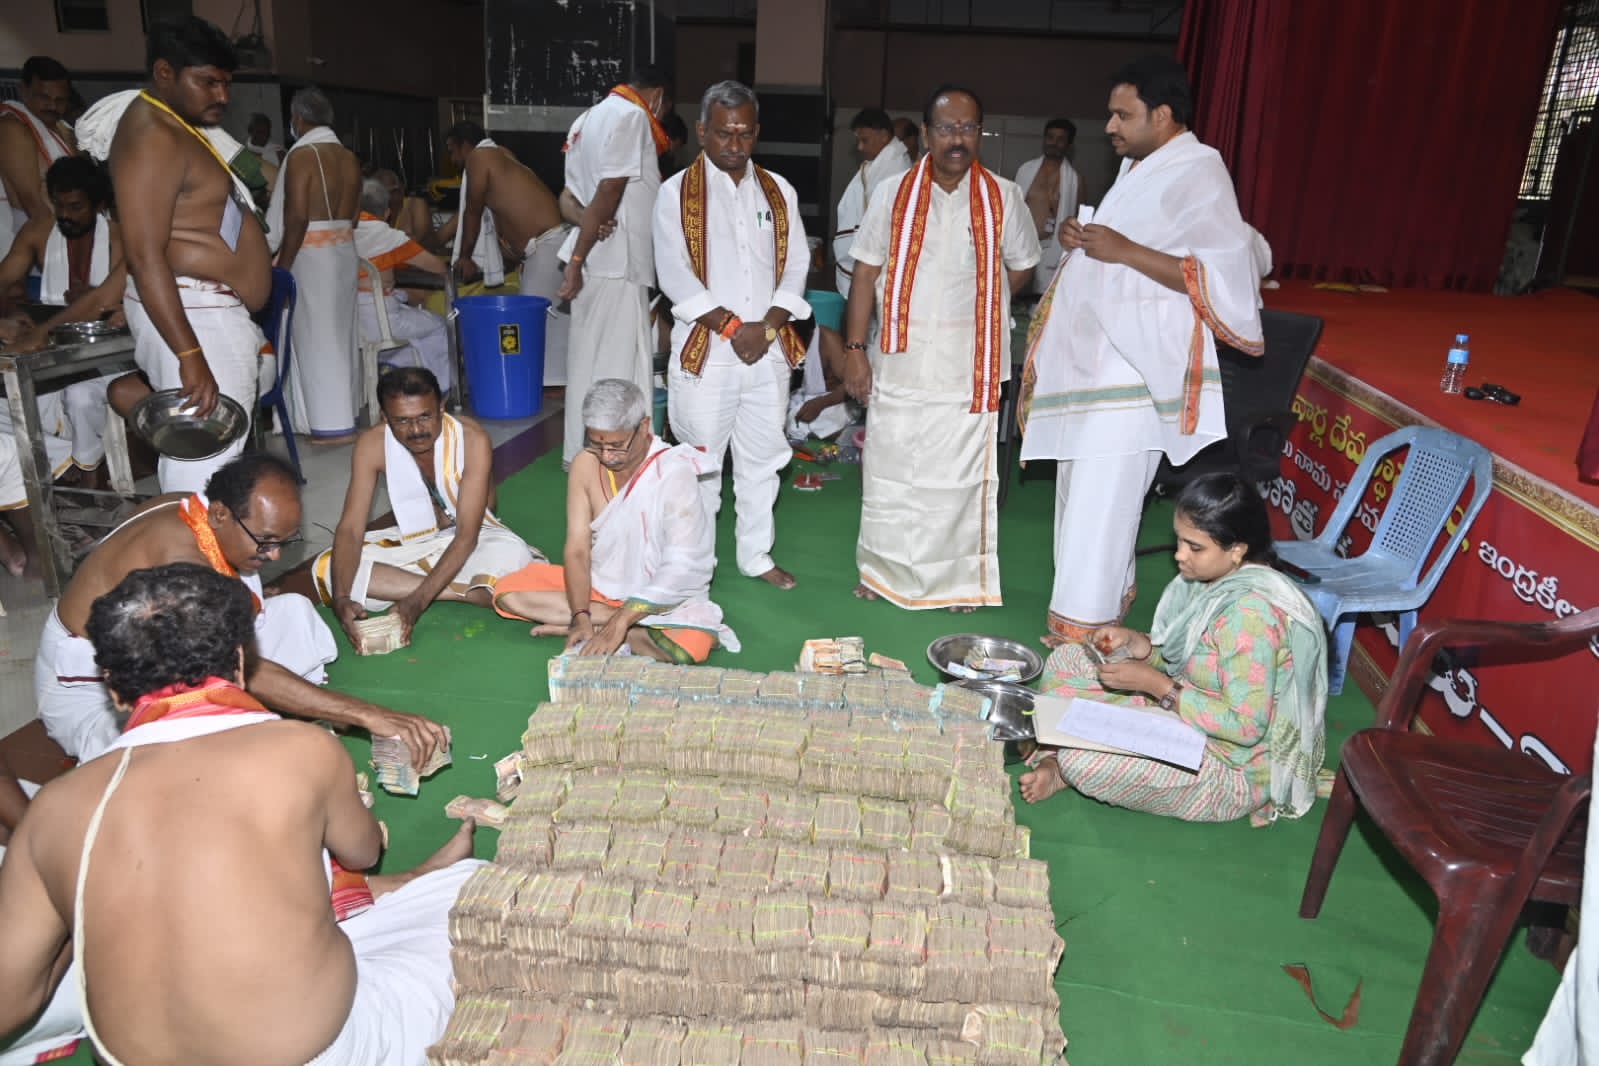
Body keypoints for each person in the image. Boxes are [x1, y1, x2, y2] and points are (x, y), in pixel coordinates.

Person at [0, 562, 484, 1065]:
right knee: (465, 887)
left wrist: (80, 911)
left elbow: (12, 1000)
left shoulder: (54, 808)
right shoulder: (302, 747)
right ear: (239, 662)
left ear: (114, 689)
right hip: (319, 1053)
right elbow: (362, 851)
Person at [1019, 56, 1263, 646]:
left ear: (1162, 114)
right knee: (1080, 500)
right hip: (1094, 368)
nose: (1109, 126)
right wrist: (1082, 240)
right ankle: (1089, 619)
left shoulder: (1199, 170)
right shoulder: (1139, 169)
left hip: (1136, 375)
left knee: (1101, 508)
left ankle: (1084, 636)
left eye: (1122, 115)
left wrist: (1123, 249)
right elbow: (1117, 252)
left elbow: (1224, 272)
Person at [34, 451, 448, 767]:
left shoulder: (195, 510)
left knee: (294, 612)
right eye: (265, 541)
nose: (274, 555)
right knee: (190, 762)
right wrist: (367, 714)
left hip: (166, 647)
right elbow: (245, 668)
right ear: (220, 514)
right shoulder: (183, 562)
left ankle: (293, 709)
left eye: (284, 542)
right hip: (93, 693)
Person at [1018, 472, 1329, 827]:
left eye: (1195, 547)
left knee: (1081, 763)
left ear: (1237, 550)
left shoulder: (1251, 617)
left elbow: (1246, 727)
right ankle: (1059, 755)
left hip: (1227, 765)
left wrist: (1157, 686)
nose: (1180, 555)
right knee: (1068, 659)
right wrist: (1137, 645)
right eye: (1179, 540)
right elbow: (1185, 660)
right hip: (1182, 712)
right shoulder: (1211, 580)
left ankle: (1062, 764)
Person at [843, 84, 1040, 612]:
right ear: (926, 133)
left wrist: (983, 303)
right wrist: (855, 349)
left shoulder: (1004, 196)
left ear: (980, 133)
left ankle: (955, 582)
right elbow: (865, 274)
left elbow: (1023, 266)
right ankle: (882, 572)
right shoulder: (892, 193)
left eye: (969, 128)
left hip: (967, 367)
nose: (958, 138)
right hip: (899, 362)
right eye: (948, 128)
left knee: (958, 481)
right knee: (890, 474)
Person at [75, 16, 275, 493]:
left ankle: (201, 543)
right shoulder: (153, 135)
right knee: (204, 470)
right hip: (197, 319)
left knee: (214, 465)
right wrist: (190, 355)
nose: (222, 96)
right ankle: (189, 544)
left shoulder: (175, 127)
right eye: (208, 82)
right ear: (165, 73)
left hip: (207, 311)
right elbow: (144, 255)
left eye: (226, 84)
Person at [653, 80, 811, 590]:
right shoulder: (675, 193)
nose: (734, 144)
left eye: (744, 133)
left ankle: (756, 556)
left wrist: (768, 327)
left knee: (764, 459)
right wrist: (733, 327)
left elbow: (797, 266)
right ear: (702, 131)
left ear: (756, 132)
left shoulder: (779, 191)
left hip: (767, 350)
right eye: (724, 133)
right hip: (709, 352)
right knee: (700, 465)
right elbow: (673, 275)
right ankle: (693, 563)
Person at [494, 378, 739, 662]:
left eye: (617, 445)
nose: (607, 456)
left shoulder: (673, 472)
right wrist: (580, 615)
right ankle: (614, 626)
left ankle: (620, 626)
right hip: (601, 589)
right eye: (597, 445)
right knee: (508, 592)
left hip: (658, 598)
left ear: (644, 427)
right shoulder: (586, 464)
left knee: (690, 647)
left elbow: (683, 566)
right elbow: (577, 550)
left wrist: (621, 622)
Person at [317, 367, 539, 648]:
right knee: (329, 566)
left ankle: (421, 586)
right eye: (402, 421)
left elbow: (467, 536)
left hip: (475, 537)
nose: (416, 430)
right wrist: (340, 598)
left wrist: (417, 601)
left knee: (512, 554)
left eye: (425, 416)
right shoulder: (372, 444)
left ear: (441, 408)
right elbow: (350, 528)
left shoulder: (472, 438)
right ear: (385, 418)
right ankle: (468, 593)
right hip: (417, 541)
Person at [556, 65, 671, 468]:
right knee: (618, 365)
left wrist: (586, 226)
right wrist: (577, 257)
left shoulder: (585, 119)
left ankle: (581, 453)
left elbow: (567, 197)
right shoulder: (632, 115)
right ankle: (614, 455)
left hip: (598, 256)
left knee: (586, 362)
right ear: (657, 96)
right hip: (615, 260)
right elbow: (611, 187)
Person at [0, 157, 124, 486]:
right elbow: (3, 281)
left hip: (110, 355)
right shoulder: (39, 231)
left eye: (76, 207)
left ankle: (89, 482)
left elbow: (127, 301)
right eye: (59, 205)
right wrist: (9, 315)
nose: (65, 215)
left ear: (99, 204)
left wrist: (94, 297)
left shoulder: (120, 237)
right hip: (52, 353)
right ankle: (55, 470)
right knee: (13, 398)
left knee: (79, 397)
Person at [266, 87, 363, 442]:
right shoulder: (349, 158)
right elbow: (354, 216)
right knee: (340, 333)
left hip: (309, 254)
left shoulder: (302, 155)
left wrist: (283, 266)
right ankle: (346, 414)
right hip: (344, 251)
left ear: (297, 118)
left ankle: (328, 425)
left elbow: (295, 218)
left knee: (314, 337)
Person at [444, 120, 564, 299]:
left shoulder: (478, 157)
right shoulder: (501, 154)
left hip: (546, 245)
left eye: (452, 151)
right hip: (547, 246)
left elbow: (473, 212)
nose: (453, 160)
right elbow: (508, 214)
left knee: (532, 314)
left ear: (465, 145)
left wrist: (465, 257)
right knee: (542, 313)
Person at [353, 177, 453, 390]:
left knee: (412, 317)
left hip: (351, 323)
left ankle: (392, 371)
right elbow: (438, 267)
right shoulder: (388, 237)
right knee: (438, 325)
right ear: (387, 213)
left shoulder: (344, 234)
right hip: (383, 324)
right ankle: (441, 390)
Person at [0, 56, 76, 263]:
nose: (52, 106)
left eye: (60, 100)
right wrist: (58, 263)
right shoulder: (12, 128)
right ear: (23, 90)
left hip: (69, 241)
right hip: (35, 253)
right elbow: (33, 204)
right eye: (44, 97)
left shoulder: (64, 130)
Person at [833, 108, 912, 303]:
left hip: (880, 262)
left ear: (884, 136)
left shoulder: (896, 170)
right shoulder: (882, 163)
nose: (860, 147)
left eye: (865, 140)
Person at [1014, 118, 1082, 294]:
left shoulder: (1075, 180)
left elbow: (1077, 220)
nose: (1054, 143)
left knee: (1043, 300)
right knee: (1014, 294)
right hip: (1023, 244)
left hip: (1052, 248)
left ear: (1069, 145)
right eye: (1050, 137)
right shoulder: (1025, 170)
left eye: (1060, 139)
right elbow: (1012, 209)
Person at [786, 320, 859, 442]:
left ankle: (847, 434)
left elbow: (852, 385)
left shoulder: (828, 340)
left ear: (809, 332)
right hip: (803, 397)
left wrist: (820, 404)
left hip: (833, 401)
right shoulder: (786, 339)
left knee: (801, 424)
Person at [374, 167, 437, 249]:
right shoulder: (377, 210)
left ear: (402, 188)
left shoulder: (416, 204)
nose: (390, 196)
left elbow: (421, 239)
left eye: (394, 191)